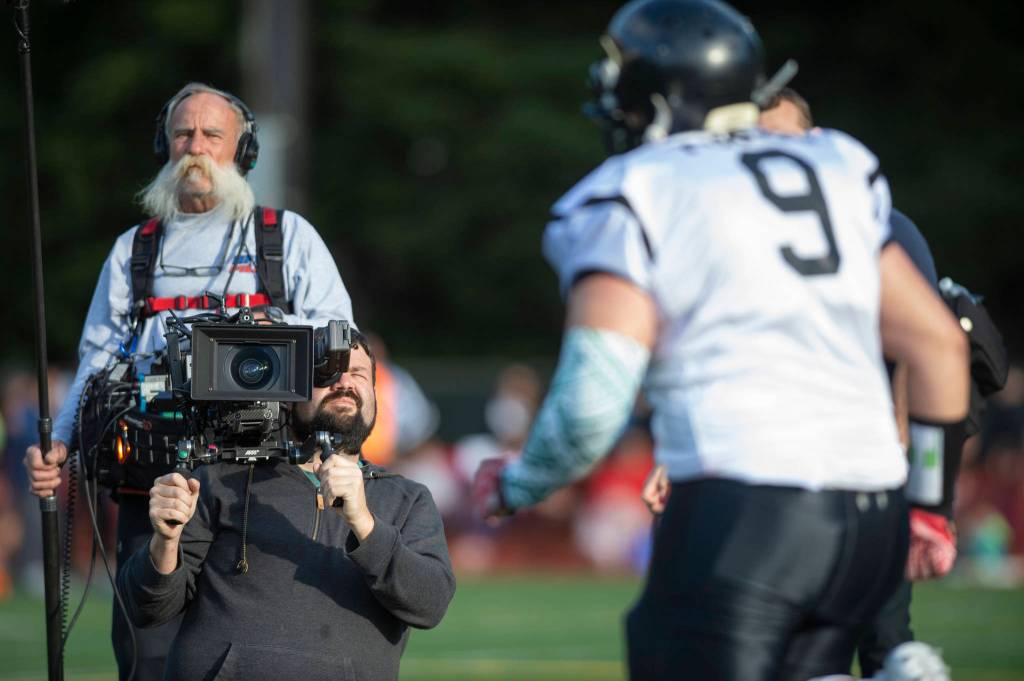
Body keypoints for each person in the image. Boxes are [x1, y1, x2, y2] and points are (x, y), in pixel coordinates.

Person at [472, 1, 970, 679]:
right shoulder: (837, 165)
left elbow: (594, 398)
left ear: (662, 92)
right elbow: (939, 344)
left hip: (746, 513)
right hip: (873, 519)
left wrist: (519, 482)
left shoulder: (638, 187)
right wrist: (932, 509)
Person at [23, 82, 355, 680]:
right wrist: (63, 445)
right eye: (182, 134)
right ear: (165, 145)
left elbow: (341, 338)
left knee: (259, 651)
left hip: (264, 478)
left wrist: (263, 331)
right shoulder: (134, 252)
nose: (194, 147)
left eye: (211, 135)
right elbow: (95, 360)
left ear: (242, 150)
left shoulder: (285, 238)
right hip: (151, 480)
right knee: (149, 654)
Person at [117, 333, 455, 681]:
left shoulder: (407, 498)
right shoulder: (218, 479)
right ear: (288, 393)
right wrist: (165, 540)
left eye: (358, 373)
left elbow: (429, 605)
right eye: (323, 372)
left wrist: (364, 523)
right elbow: (147, 609)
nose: (343, 382)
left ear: (375, 392)